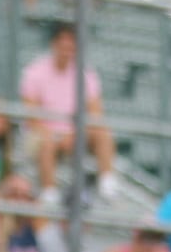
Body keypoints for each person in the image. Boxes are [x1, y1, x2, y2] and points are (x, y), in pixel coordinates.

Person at [17, 22, 119, 201]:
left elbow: (96, 113)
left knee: (103, 132)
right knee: (46, 142)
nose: (67, 50)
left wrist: (74, 134)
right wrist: (57, 136)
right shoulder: (34, 72)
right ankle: (49, 191)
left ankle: (107, 182)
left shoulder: (86, 73)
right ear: (53, 45)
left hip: (75, 132)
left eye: (71, 46)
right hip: (44, 133)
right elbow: (32, 118)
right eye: (63, 45)